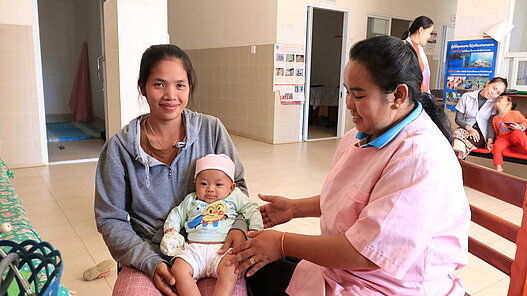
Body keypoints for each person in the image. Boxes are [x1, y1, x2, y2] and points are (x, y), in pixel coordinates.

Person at [228, 35, 470, 295]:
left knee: (260, 270)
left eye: (358, 94)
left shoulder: (420, 158)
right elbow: (351, 199)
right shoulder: (362, 135)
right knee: (249, 270)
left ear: (399, 95)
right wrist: (294, 208)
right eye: (346, 92)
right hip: (344, 270)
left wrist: (282, 243)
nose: (348, 105)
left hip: (388, 285)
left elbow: (367, 253)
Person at [94, 44, 249, 296]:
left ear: (189, 87)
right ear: (143, 87)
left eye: (180, 85)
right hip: (148, 252)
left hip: (213, 245)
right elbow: (111, 219)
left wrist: (237, 227)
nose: (170, 95)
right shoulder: (119, 148)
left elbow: (238, 189)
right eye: (159, 84)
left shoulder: (212, 131)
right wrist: (149, 262)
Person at [160, 154, 263, 295]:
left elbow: (251, 210)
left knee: (232, 267)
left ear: (231, 187)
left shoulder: (234, 197)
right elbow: (176, 215)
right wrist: (171, 231)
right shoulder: (191, 200)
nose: (210, 189)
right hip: (194, 249)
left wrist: (255, 231)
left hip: (223, 249)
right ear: (195, 183)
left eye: (218, 184)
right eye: (203, 184)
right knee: (178, 269)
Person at [452, 77, 508, 159]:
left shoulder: (495, 103)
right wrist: (470, 129)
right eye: (494, 88)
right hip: (465, 129)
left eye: (497, 92)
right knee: (456, 136)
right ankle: (458, 161)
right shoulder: (467, 96)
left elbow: (490, 124)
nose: (493, 93)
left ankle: (456, 162)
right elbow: (458, 119)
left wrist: (490, 141)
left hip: (481, 134)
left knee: (457, 142)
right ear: (488, 83)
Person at [489, 96, 527, 172]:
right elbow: (497, 132)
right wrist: (491, 142)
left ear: (509, 104)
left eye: (501, 98)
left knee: (518, 133)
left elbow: (525, 122)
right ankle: (498, 167)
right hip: (503, 138)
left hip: (514, 135)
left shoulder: (515, 113)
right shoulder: (495, 118)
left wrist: (520, 127)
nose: (498, 99)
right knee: (497, 145)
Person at [402, 16, 434, 93]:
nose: (429, 37)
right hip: (411, 94)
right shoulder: (404, 47)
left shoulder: (419, 49)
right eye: (429, 33)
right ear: (421, 29)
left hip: (421, 95)